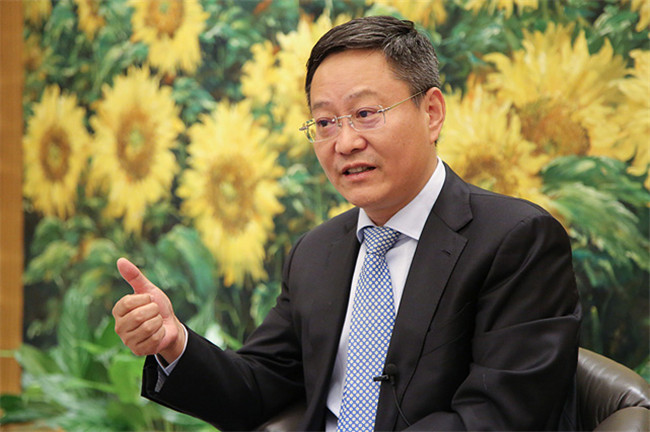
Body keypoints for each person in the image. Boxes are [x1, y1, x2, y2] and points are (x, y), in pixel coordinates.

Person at [112, 16, 582, 431]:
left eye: (365, 114)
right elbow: (257, 388)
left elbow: (499, 417)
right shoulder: (317, 253)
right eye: (325, 122)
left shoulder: (516, 240)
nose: (345, 142)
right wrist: (175, 343)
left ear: (432, 113)